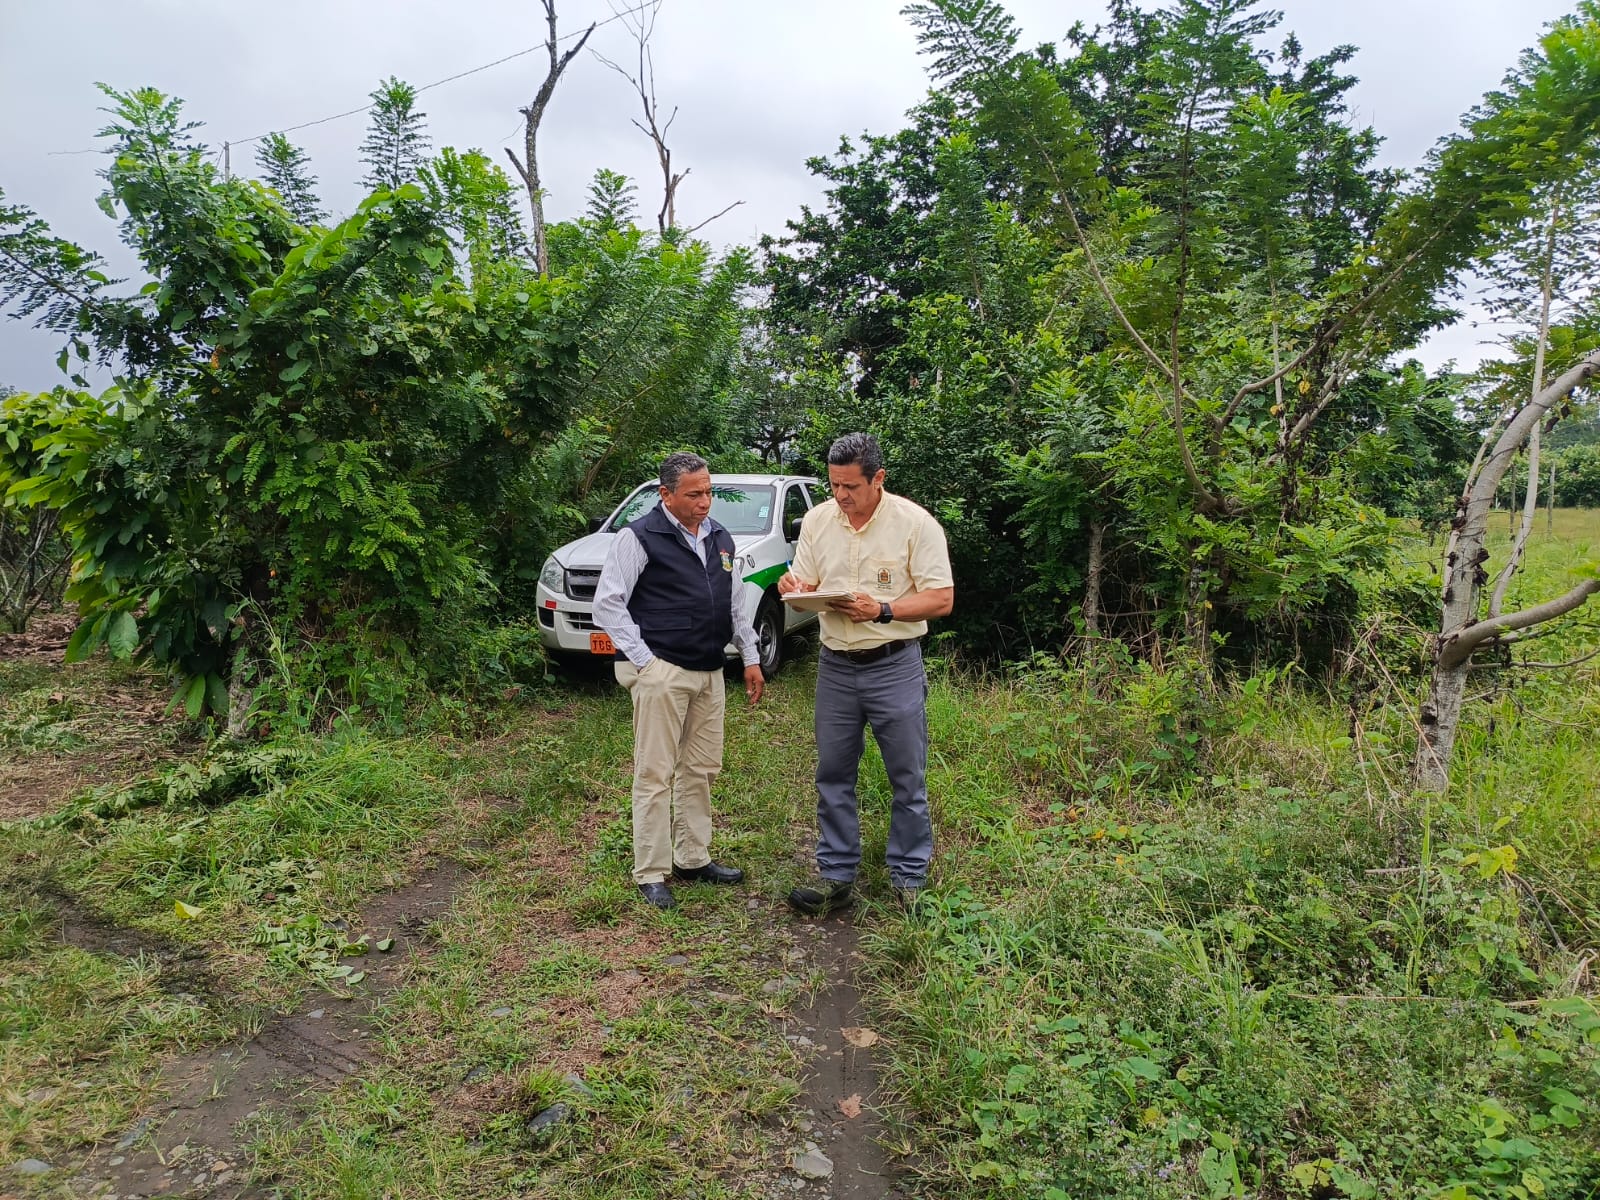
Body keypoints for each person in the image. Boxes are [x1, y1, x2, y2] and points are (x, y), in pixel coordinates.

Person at [779, 433, 954, 914]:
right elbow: (805, 587)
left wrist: (882, 609)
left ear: (878, 479)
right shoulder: (819, 521)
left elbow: (941, 598)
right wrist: (794, 587)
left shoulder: (915, 524)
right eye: (834, 485)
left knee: (907, 777)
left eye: (851, 486)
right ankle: (836, 877)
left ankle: (909, 878)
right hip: (835, 666)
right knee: (833, 774)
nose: (840, 495)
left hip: (894, 664)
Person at [593, 452, 765, 911]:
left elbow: (735, 604)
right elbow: (608, 603)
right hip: (663, 670)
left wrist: (749, 656)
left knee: (701, 768)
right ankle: (651, 871)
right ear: (666, 494)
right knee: (654, 773)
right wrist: (646, 663)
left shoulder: (720, 538)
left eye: (708, 492)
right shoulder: (638, 536)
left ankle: (692, 857)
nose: (704, 502)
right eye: (694, 494)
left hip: (710, 670)